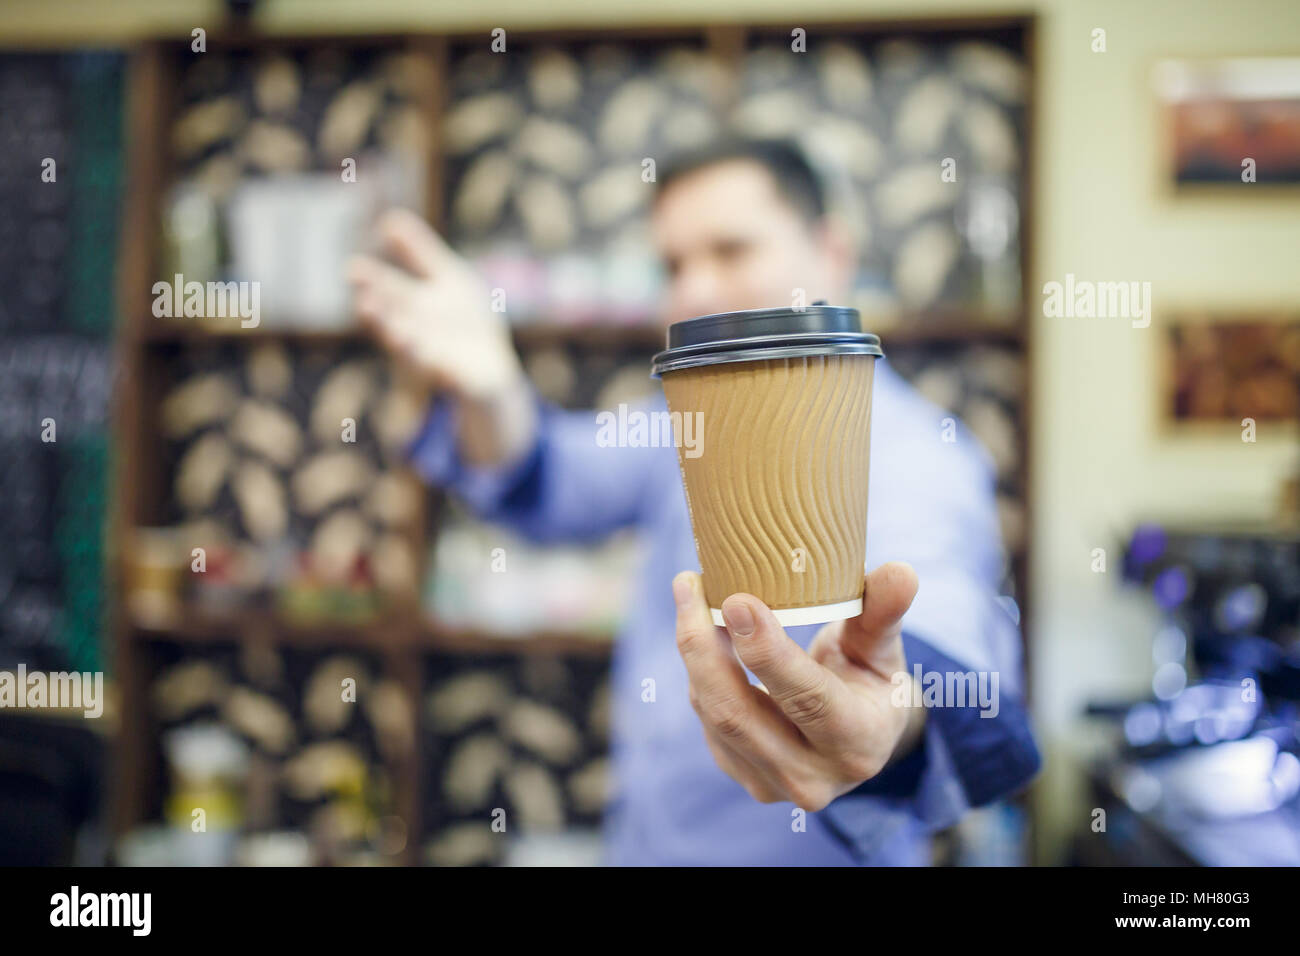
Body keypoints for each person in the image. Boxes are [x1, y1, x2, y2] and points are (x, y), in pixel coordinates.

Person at [348, 138, 1041, 865]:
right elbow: (542, 477)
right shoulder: (678, 429)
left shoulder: (916, 454)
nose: (695, 293)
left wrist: (885, 719)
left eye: (732, 250)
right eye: (674, 265)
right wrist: (490, 389)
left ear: (831, 253)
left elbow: (946, 650)